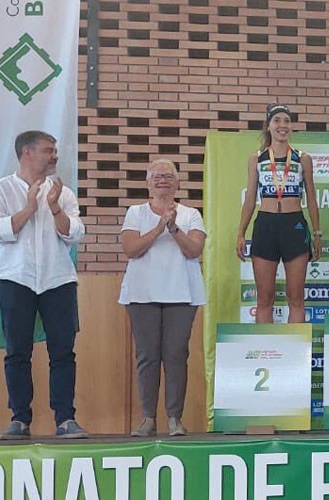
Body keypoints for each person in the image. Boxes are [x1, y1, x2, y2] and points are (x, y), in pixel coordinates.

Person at [0, 130, 87, 439]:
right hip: (16, 278)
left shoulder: (62, 192)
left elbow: (75, 233)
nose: (54, 155)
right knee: (17, 351)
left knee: (63, 352)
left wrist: (53, 206)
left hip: (58, 279)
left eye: (55, 150)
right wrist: (29, 207)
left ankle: (66, 419)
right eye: (48, 150)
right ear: (26, 153)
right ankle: (19, 419)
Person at [119, 159, 206, 437]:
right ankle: (147, 418)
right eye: (156, 176)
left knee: (176, 354)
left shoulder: (191, 214)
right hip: (142, 294)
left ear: (177, 183)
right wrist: (159, 227)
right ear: (148, 183)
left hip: (182, 294)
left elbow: (194, 250)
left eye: (168, 176)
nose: (162, 181)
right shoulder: (135, 213)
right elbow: (131, 249)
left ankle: (174, 419)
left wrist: (173, 228)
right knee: (147, 356)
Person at [236, 104, 322, 323]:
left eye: (286, 121)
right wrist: (240, 233)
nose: (282, 125)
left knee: (296, 297)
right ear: (268, 126)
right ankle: (265, 354)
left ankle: (296, 356)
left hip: (294, 225)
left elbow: (311, 198)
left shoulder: (303, 158)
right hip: (266, 224)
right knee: (264, 298)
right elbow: (250, 199)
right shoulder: (256, 159)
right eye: (277, 121)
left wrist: (317, 233)